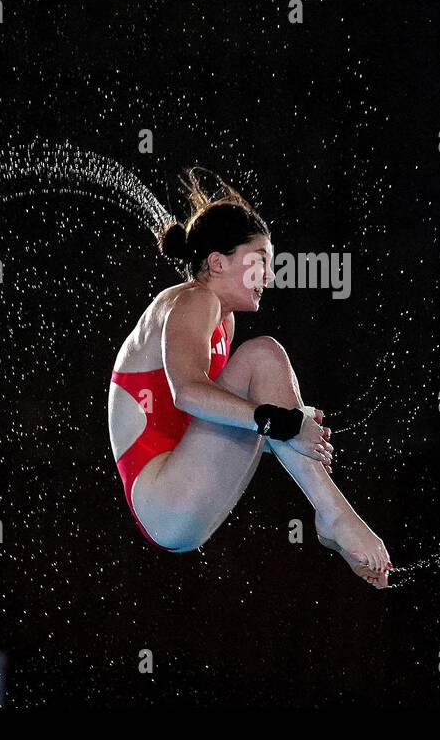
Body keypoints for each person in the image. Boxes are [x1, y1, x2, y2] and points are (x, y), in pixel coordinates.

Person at [108, 172, 391, 588]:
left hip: (177, 504)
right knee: (264, 356)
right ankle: (334, 514)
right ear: (218, 262)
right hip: (162, 498)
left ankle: (330, 515)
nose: (270, 276)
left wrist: (293, 420)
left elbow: (227, 414)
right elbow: (187, 392)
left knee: (273, 388)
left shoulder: (224, 320)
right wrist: (285, 422)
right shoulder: (192, 299)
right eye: (259, 260)